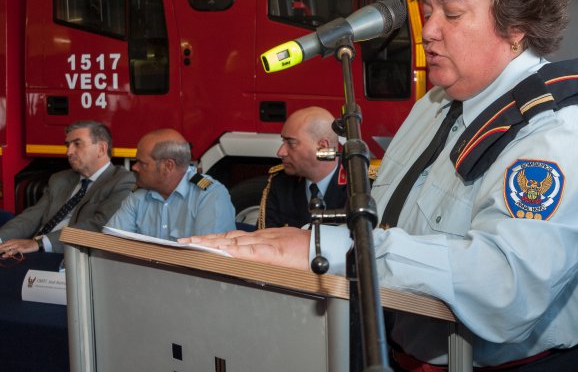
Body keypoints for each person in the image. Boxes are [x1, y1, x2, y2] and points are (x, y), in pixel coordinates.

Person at [182, 0, 578, 372]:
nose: (428, 31)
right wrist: (297, 244)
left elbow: (508, 286)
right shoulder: (433, 105)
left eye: (452, 14)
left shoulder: (558, 131)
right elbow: (387, 218)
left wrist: (340, 252)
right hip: (408, 368)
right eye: (427, 11)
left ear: (516, 25)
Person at [0, 120, 135, 257]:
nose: (69, 152)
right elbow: (31, 217)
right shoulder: (60, 179)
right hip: (34, 250)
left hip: (72, 257)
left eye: (77, 144)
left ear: (101, 149)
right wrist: (1, 239)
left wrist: (40, 243)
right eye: (68, 145)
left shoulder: (122, 181)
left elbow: (100, 225)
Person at [106, 128, 235, 239]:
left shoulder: (209, 196)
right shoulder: (139, 194)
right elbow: (110, 241)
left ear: (168, 166)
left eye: (142, 163)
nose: (135, 167)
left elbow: (208, 255)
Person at [257, 106, 347, 229]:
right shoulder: (280, 182)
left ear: (323, 147)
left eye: (291, 143)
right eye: (283, 142)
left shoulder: (360, 184)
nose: (280, 152)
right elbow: (265, 236)